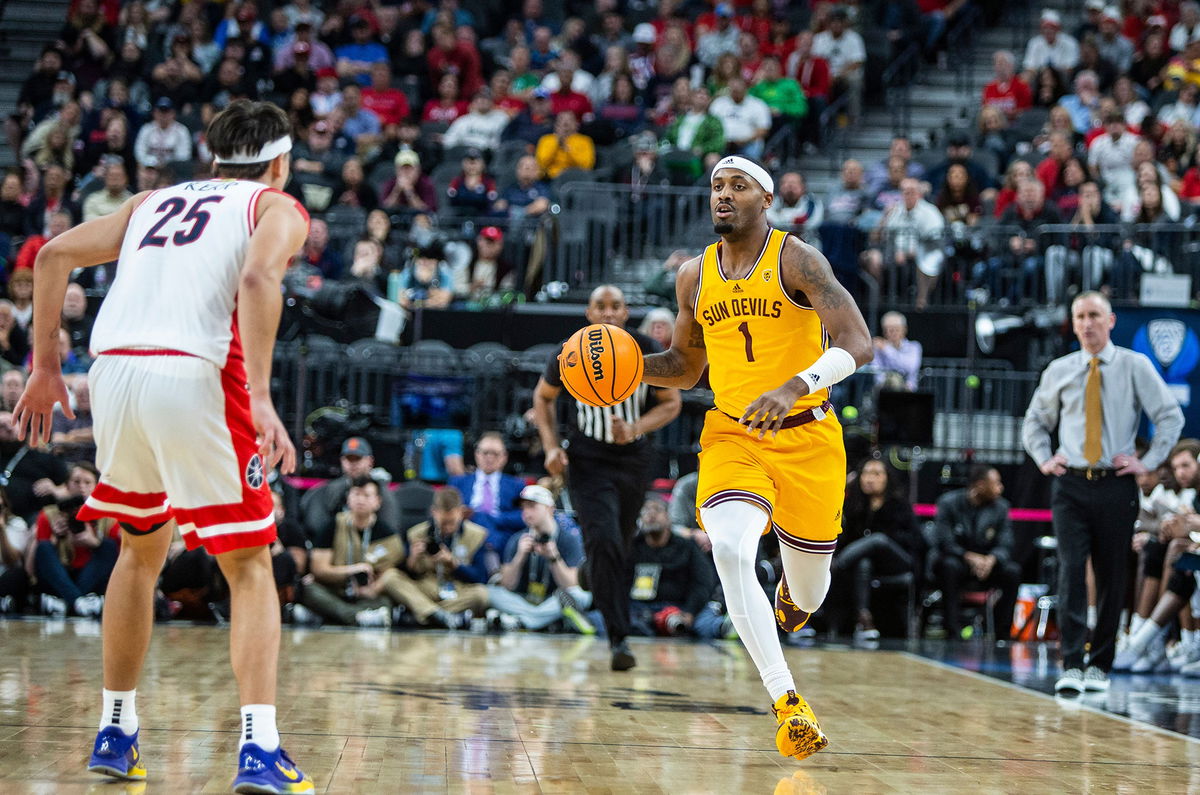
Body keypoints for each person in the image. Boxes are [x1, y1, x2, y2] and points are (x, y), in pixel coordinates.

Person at [13, 99, 314, 791]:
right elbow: (258, 278)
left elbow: (54, 253)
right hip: (195, 372)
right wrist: (263, 398)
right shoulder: (276, 205)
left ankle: (116, 730)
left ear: (213, 156)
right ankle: (260, 746)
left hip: (114, 372)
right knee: (249, 563)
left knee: (141, 547)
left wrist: (46, 367)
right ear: (279, 162)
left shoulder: (154, 199)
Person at [637, 155, 872, 760]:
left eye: (738, 186)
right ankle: (787, 702)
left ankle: (792, 599)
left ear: (766, 201)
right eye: (717, 186)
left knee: (811, 595)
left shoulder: (796, 258)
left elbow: (858, 343)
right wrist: (626, 365)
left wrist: (795, 385)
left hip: (809, 438)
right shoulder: (693, 274)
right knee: (734, 547)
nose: (724, 195)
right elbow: (688, 368)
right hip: (733, 436)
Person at [1022, 291, 1183, 695]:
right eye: (1080, 317)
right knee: (1071, 568)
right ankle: (1073, 662)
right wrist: (1044, 458)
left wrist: (1149, 462)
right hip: (1071, 482)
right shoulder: (1060, 369)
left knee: (1112, 573)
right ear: (1073, 324)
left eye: (1094, 315)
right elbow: (1035, 422)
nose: (1087, 323)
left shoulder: (1134, 365)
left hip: (1116, 483)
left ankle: (1101, 664)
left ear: (1110, 321)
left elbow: (1169, 415)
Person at [532, 285, 682, 671]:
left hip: (634, 457)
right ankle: (619, 637)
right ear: (589, 312)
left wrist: (634, 428)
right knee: (604, 539)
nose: (609, 312)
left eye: (616, 306)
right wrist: (550, 446)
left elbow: (671, 404)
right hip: (587, 457)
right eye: (601, 306)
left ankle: (589, 573)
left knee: (619, 543)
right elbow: (542, 398)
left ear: (626, 312)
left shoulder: (649, 349)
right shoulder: (569, 352)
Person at [294, 475, 401, 627]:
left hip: (366, 594)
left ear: (378, 502)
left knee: (387, 601)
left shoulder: (387, 534)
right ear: (348, 499)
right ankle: (356, 617)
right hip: (335, 589)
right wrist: (352, 570)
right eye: (356, 494)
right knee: (308, 588)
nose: (360, 500)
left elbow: (392, 572)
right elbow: (319, 569)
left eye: (366, 495)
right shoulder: (333, 525)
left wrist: (373, 587)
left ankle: (328, 614)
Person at [486, 483, 593, 632]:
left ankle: (522, 621)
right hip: (524, 599)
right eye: (523, 507)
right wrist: (520, 556)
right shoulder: (517, 539)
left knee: (580, 596)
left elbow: (572, 584)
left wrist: (554, 558)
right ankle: (539, 621)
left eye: (532, 506)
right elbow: (507, 585)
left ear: (550, 509)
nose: (526, 512)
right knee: (491, 592)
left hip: (553, 599)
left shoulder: (569, 539)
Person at [833, 458, 920, 641]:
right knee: (864, 562)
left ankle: (836, 566)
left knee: (878, 540)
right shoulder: (854, 506)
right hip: (867, 564)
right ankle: (864, 619)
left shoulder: (900, 505)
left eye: (876, 474)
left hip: (898, 560)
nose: (869, 479)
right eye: (866, 473)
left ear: (887, 478)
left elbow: (914, 541)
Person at [930, 465, 1020, 640]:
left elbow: (1006, 543)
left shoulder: (1001, 508)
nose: (1000, 488)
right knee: (949, 566)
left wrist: (991, 560)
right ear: (980, 485)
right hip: (958, 560)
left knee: (1012, 572)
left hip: (987, 564)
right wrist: (970, 557)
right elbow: (944, 541)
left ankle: (1001, 634)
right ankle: (953, 631)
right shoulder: (948, 503)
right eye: (996, 483)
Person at [392, 486, 490, 627]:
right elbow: (406, 575)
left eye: (452, 522)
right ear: (434, 512)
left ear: (461, 512)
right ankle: (445, 616)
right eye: (444, 523)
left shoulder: (477, 534)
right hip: (426, 588)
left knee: (482, 594)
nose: (448, 527)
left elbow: (481, 577)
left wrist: (454, 564)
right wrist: (412, 558)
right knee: (391, 578)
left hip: (458, 590)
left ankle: (424, 614)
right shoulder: (416, 533)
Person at [628, 494, 723, 639]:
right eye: (645, 511)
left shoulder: (687, 547)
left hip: (680, 609)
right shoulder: (631, 547)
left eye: (657, 510)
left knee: (706, 623)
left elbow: (702, 583)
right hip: (639, 609)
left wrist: (690, 612)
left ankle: (727, 628)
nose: (651, 514)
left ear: (668, 517)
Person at [300, 436, 400, 541]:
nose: (353, 464)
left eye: (358, 458)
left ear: (370, 461)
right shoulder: (331, 489)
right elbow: (317, 525)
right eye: (349, 458)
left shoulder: (382, 491)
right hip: (339, 545)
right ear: (342, 461)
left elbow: (391, 529)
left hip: (373, 546)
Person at [448, 431, 526, 554]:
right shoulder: (458, 482)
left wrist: (493, 518)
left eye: (495, 454)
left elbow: (524, 515)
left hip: (500, 534)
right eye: (485, 453)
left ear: (504, 457)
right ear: (476, 454)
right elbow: (447, 510)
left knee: (482, 518)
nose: (489, 458)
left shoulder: (516, 484)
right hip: (466, 533)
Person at [872, 311, 922, 391]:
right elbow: (877, 373)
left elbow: (910, 367)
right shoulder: (878, 349)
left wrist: (887, 349)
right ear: (884, 332)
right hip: (884, 392)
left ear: (904, 329)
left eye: (897, 329)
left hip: (908, 393)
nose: (893, 333)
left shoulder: (914, 347)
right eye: (890, 330)